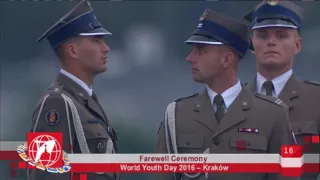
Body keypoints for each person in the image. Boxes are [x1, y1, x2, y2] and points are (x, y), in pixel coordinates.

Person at [155, 7, 296, 180]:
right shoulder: (176, 115)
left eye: (200, 51)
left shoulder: (274, 114)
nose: (190, 58)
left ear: (226, 59)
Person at [28, 0, 120, 180]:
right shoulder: (56, 102)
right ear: (73, 50)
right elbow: (45, 174)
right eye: (96, 40)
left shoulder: (87, 101)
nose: (106, 48)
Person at [243, 1, 320, 179]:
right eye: (262, 36)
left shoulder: (316, 100)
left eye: (281, 35)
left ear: (297, 44)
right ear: (252, 44)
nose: (271, 42)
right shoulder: (233, 100)